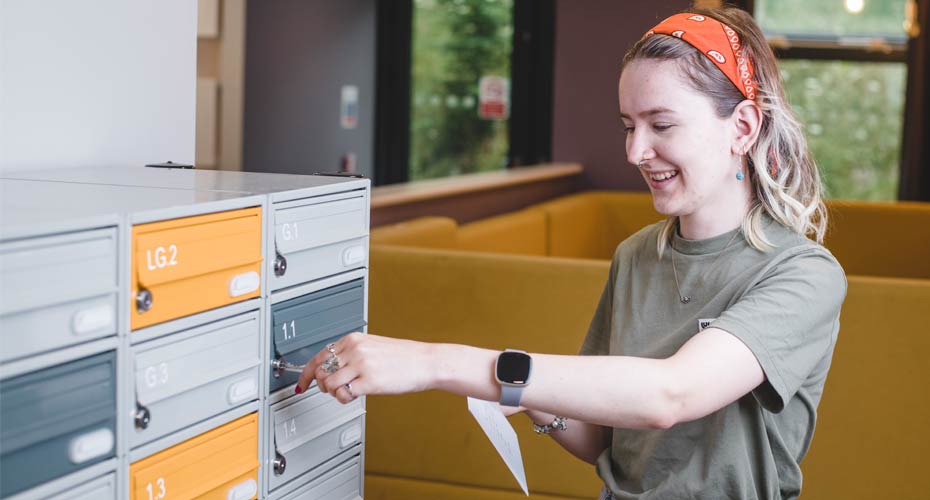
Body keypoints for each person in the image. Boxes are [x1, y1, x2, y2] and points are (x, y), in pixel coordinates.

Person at [296, 7, 846, 499]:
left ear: (743, 128)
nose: (635, 151)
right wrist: (530, 395)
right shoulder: (636, 256)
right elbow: (605, 442)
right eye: (629, 126)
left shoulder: (802, 274)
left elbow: (670, 396)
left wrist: (437, 362)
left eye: (662, 124)